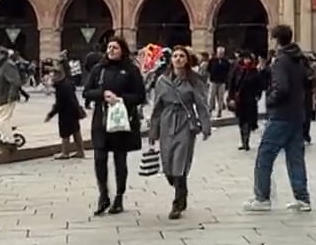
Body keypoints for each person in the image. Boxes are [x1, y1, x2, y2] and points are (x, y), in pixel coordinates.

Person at [245, 25, 311, 213]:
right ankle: (302, 198)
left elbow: (281, 87)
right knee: (295, 157)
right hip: (297, 114)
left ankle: (262, 198)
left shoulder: (281, 60)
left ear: (275, 39)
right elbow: (308, 81)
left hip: (281, 115)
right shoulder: (299, 58)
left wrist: (271, 101)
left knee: (265, 156)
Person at [84, 36, 146, 215]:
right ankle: (103, 195)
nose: (111, 50)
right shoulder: (99, 69)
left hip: (122, 121)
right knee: (99, 159)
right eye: (109, 47)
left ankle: (119, 197)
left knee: (120, 160)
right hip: (101, 121)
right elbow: (87, 92)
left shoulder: (131, 70)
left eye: (115, 48)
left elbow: (140, 96)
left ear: (123, 50)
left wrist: (121, 99)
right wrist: (103, 94)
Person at [149, 46, 212, 219]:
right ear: (171, 60)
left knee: (180, 161)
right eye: (175, 56)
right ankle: (179, 186)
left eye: (181, 56)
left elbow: (201, 104)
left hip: (185, 122)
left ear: (186, 60)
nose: (178, 59)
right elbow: (157, 107)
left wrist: (205, 126)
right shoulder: (162, 80)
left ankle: (177, 202)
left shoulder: (193, 80)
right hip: (166, 121)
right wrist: (153, 132)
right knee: (168, 163)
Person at [229, 52, 266, 151]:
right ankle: (243, 141)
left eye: (248, 59)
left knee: (248, 121)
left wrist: (258, 94)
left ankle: (246, 141)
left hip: (250, 99)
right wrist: (231, 97)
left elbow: (260, 84)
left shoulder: (254, 71)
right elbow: (232, 84)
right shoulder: (238, 70)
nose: (247, 61)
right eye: (245, 59)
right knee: (241, 120)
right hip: (240, 99)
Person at [47, 65, 85, 159]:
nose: (51, 78)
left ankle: (65, 152)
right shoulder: (66, 82)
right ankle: (80, 151)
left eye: (53, 76)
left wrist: (51, 114)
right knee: (76, 130)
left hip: (66, 112)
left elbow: (59, 103)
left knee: (65, 132)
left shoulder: (61, 87)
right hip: (73, 109)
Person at [0, 47, 24, 145]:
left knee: (2, 120)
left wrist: (11, 95)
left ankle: (9, 140)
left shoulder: (8, 65)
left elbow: (15, 82)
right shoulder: (0, 66)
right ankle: (5, 139)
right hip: (0, 98)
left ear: (2, 55)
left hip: (6, 98)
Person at [206, 49, 232, 115]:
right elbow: (208, 69)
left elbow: (228, 70)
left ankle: (219, 110)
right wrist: (209, 78)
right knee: (212, 96)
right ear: (217, 53)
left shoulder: (226, 61)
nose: (220, 54)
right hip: (213, 81)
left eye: (222, 53)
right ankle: (210, 109)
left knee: (220, 97)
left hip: (222, 81)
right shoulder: (212, 60)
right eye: (219, 53)